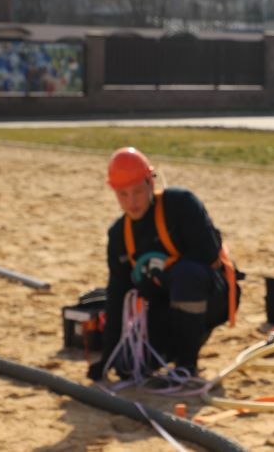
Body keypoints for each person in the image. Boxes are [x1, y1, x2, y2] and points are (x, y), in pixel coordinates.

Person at [87, 147, 239, 381]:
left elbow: (207, 253)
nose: (131, 202)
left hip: (211, 296)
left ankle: (186, 362)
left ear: (151, 182)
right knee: (126, 367)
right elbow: (117, 294)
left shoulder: (181, 204)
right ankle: (179, 342)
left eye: (137, 191)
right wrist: (107, 355)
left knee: (186, 275)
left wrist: (161, 281)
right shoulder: (119, 234)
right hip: (164, 308)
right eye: (122, 194)